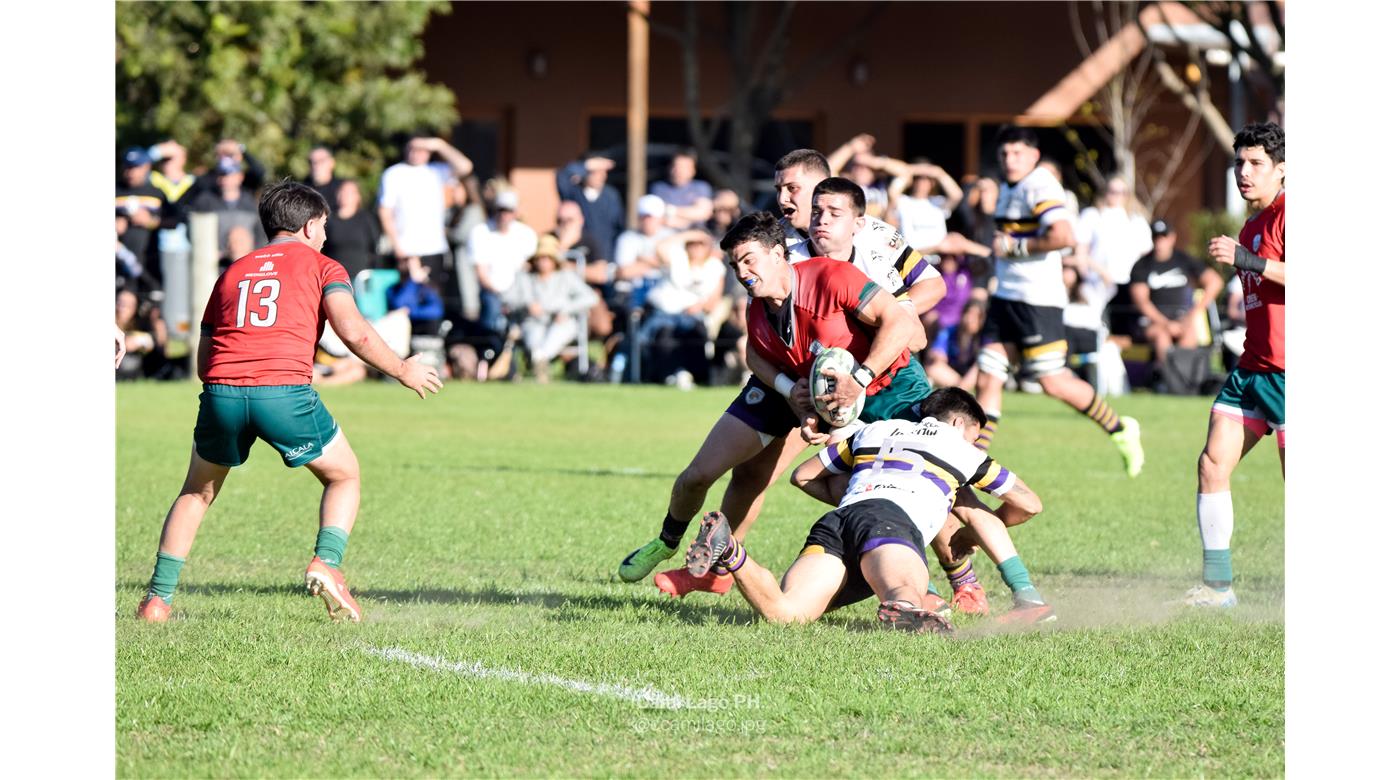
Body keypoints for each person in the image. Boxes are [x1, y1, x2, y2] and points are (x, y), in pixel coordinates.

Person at [619, 150, 942, 598]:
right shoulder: (778, 242)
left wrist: (890, 316)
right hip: (793, 373)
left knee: (910, 472)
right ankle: (711, 566)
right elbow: (756, 337)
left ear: (824, 190)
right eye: (779, 190)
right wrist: (793, 390)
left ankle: (945, 576)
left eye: (793, 188)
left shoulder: (865, 236)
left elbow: (929, 290)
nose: (785, 199)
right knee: (746, 475)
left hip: (860, 375)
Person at [135, 181, 443, 624]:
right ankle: (327, 564)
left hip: (221, 392)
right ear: (309, 225)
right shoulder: (323, 266)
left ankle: (157, 601)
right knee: (344, 476)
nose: (323, 236)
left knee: (196, 492)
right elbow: (352, 330)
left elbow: (206, 358)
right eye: (322, 227)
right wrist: (401, 369)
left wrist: (231, 390)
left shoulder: (233, 272)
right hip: (282, 392)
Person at [961, 126, 1145, 613]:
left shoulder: (1042, 186)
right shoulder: (1011, 187)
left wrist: (1013, 249)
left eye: (1018, 150)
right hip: (1006, 299)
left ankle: (1121, 427)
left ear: (1034, 154)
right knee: (988, 376)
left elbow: (1063, 236)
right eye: (1004, 151)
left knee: (1052, 382)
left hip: (1039, 304)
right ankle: (968, 465)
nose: (1010, 157)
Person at [684, 388, 1051, 630]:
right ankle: (910, 608)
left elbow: (803, 476)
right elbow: (1029, 503)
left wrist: (859, 495)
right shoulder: (963, 450)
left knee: (787, 614)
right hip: (891, 525)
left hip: (839, 522)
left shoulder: (876, 431)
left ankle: (731, 552)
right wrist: (968, 533)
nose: (975, 441)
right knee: (902, 595)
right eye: (975, 432)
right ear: (958, 423)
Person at [1182, 121, 1285, 608]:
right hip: (1253, 370)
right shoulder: (1251, 224)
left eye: (1256, 164)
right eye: (1239, 162)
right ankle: (1218, 588)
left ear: (1281, 170)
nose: (1244, 172)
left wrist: (1249, 261)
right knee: (1211, 465)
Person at [1128, 218, 1224, 388]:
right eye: (1156, 237)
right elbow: (1142, 302)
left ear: (1172, 238)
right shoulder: (1142, 265)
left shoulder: (1184, 259)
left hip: (1182, 318)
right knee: (1161, 335)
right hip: (1154, 322)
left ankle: (1187, 382)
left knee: (1189, 333)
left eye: (1163, 237)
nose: (1160, 242)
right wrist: (1166, 323)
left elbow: (1215, 282)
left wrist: (1194, 313)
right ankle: (1168, 381)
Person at [378, 134, 475, 297]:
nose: (416, 153)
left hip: (434, 248)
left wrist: (439, 145)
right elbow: (385, 211)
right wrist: (397, 246)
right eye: (412, 148)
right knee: (404, 303)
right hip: (406, 249)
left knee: (432, 303)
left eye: (421, 149)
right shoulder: (394, 174)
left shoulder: (438, 171)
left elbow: (466, 166)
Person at [503, 234, 599, 381]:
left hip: (560, 321)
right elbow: (506, 298)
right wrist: (527, 304)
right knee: (534, 335)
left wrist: (566, 309)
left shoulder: (565, 277)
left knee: (557, 333)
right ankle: (539, 362)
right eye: (540, 258)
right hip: (533, 321)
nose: (543, 262)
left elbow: (591, 297)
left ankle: (540, 359)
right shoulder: (525, 278)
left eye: (547, 258)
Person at [1074, 174, 1153, 344]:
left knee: (1128, 332)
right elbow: (1081, 252)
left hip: (1128, 284)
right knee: (1096, 330)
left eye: (1122, 192)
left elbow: (1146, 254)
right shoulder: (1092, 215)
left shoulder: (1136, 220)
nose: (1117, 195)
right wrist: (1089, 275)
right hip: (1098, 284)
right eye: (1112, 191)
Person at [468, 189, 538, 368]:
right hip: (493, 292)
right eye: (501, 210)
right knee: (493, 322)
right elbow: (481, 271)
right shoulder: (481, 232)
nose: (504, 215)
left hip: (519, 293)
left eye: (508, 211)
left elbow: (529, 268)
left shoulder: (526, 234)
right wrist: (500, 294)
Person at [557, 154, 626, 256]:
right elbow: (562, 176)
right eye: (595, 172)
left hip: (606, 255)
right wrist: (587, 165)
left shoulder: (611, 196)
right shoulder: (574, 192)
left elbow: (619, 226)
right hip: (579, 253)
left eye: (602, 172)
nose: (600, 176)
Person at [323, 180, 383, 283]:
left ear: (358, 196)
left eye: (350, 192)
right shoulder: (328, 219)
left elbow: (375, 249)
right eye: (342, 191)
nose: (345, 195)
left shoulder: (366, 219)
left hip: (362, 279)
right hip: (335, 278)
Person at [649, 148, 714, 230]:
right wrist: (692, 215)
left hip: (696, 236)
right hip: (666, 235)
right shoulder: (658, 188)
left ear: (693, 170)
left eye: (684, 167)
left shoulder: (701, 187)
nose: (678, 171)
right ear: (670, 168)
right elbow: (659, 219)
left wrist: (671, 210)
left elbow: (704, 213)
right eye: (676, 166)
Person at [304, 145, 344, 210]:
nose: (315, 165)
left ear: (332, 163)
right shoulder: (302, 190)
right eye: (311, 162)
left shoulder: (343, 190)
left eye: (321, 161)